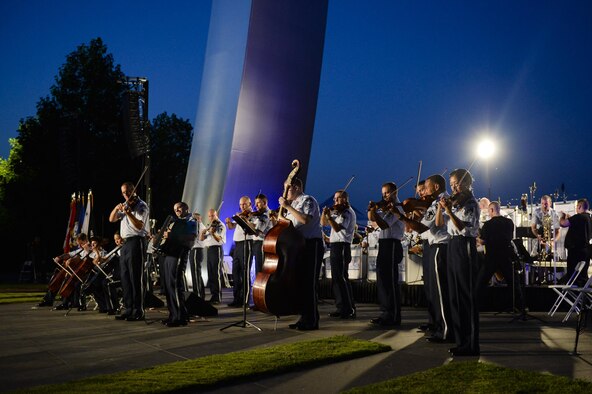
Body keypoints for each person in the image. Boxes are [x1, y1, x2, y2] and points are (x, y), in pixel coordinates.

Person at [436, 168, 481, 357]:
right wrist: (442, 208)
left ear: (468, 184)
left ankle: (471, 344)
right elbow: (440, 224)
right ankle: (460, 340)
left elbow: (464, 228)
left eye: (457, 183)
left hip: (465, 246)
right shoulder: (455, 202)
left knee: (466, 296)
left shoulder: (470, 202)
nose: (454, 187)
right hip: (453, 245)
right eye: (452, 183)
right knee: (454, 294)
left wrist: (449, 211)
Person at [279, 177, 323, 331]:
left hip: (312, 245)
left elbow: (305, 220)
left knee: (309, 284)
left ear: (296, 187)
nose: (284, 191)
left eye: (287, 187)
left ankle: (311, 320)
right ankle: (304, 317)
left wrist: (287, 207)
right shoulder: (294, 205)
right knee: (301, 284)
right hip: (299, 246)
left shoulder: (307, 200)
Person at [109, 182, 150, 321]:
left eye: (128, 192)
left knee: (135, 278)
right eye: (123, 193)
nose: (126, 194)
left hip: (136, 242)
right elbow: (111, 219)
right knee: (125, 278)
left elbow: (139, 226)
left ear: (134, 190)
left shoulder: (141, 205)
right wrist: (117, 208)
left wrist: (128, 213)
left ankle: (138, 310)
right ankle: (128, 308)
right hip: (125, 244)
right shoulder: (126, 204)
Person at [367, 182, 405, 327]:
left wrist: (376, 213)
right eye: (382, 193)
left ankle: (393, 315)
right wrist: (372, 210)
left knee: (390, 281)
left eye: (387, 193)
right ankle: (385, 312)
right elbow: (372, 219)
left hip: (393, 243)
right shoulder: (385, 207)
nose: (384, 196)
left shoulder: (398, 207)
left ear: (395, 192)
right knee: (382, 279)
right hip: (383, 243)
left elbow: (383, 224)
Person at [477, 201, 525, 313]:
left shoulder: (487, 225)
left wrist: (477, 239)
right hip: (506, 256)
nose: (488, 213)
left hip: (491, 257)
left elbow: (483, 241)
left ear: (492, 210)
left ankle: (475, 306)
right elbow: (508, 237)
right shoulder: (509, 222)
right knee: (513, 283)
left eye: (489, 210)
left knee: (481, 282)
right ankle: (520, 307)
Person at [321, 190, 357, 319]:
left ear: (345, 199)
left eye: (338, 199)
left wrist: (330, 217)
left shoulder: (346, 212)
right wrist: (325, 214)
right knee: (340, 278)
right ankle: (346, 306)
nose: (335, 201)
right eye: (334, 199)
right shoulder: (338, 211)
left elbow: (337, 228)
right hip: (336, 245)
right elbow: (323, 223)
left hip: (342, 246)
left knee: (340, 278)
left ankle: (346, 308)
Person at [160, 202, 196, 327]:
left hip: (179, 253)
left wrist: (172, 235)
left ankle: (179, 317)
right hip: (170, 253)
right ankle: (173, 314)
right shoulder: (174, 222)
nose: (177, 210)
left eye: (179, 208)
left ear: (186, 208)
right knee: (168, 285)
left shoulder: (191, 221)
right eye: (175, 209)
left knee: (175, 285)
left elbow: (191, 237)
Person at [38, 233, 90, 308]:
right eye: (79, 244)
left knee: (67, 279)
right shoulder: (80, 250)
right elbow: (69, 254)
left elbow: (84, 259)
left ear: (85, 240)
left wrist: (72, 259)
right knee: (58, 277)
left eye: (81, 244)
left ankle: (65, 303)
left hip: (83, 274)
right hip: (74, 272)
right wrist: (59, 257)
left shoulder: (90, 250)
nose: (80, 246)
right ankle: (48, 300)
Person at [225, 196, 255, 308]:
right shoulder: (240, 215)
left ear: (249, 204)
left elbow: (253, 229)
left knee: (245, 272)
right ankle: (236, 299)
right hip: (237, 245)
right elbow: (232, 227)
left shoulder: (252, 215)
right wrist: (229, 222)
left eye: (244, 204)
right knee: (236, 273)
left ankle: (245, 300)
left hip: (246, 243)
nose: (242, 207)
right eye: (241, 205)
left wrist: (244, 219)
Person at [560, 198, 592, 286]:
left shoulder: (579, 217)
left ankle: (573, 297)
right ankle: (583, 298)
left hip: (575, 252)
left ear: (579, 206)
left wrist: (562, 216)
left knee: (573, 278)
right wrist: (571, 219)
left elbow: (563, 223)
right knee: (582, 276)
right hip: (585, 251)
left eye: (576, 206)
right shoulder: (588, 218)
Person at [200, 208, 226, 304]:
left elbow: (219, 239)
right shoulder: (210, 225)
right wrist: (204, 231)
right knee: (210, 273)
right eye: (210, 216)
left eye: (213, 215)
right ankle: (213, 295)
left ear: (216, 215)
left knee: (216, 274)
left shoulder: (220, 225)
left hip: (217, 249)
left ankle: (217, 297)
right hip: (209, 250)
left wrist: (213, 232)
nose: (211, 218)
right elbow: (202, 239)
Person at [251, 194, 273, 275]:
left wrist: (246, 224)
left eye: (258, 203)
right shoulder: (259, 214)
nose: (256, 205)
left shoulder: (265, 215)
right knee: (258, 267)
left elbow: (258, 232)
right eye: (255, 203)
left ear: (265, 203)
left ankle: (260, 286)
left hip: (261, 243)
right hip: (258, 243)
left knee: (260, 268)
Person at [188, 212, 206, 298]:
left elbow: (197, 238)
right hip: (194, 249)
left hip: (197, 249)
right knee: (196, 272)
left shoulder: (200, 226)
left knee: (195, 272)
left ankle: (198, 293)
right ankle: (200, 292)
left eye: (195, 218)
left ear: (199, 218)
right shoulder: (194, 226)